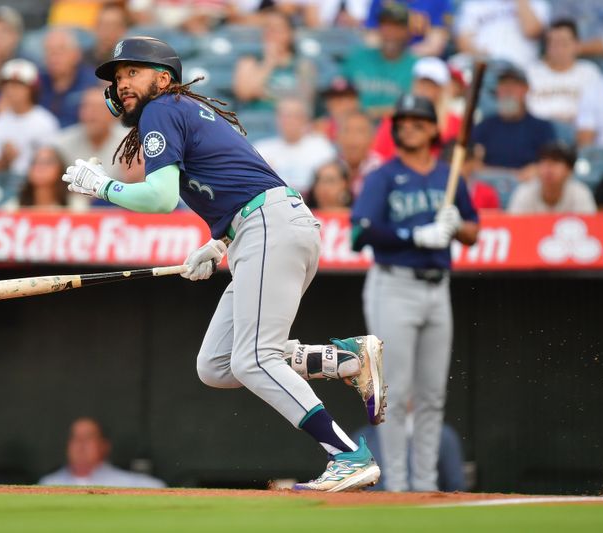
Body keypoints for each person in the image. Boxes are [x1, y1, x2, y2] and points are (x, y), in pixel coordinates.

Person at [61, 36, 387, 492]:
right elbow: (233, 175)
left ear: (163, 78)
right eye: (118, 77)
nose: (122, 83)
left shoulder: (162, 109)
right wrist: (218, 242)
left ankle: (348, 454)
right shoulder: (182, 109)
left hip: (269, 227)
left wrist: (103, 187)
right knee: (218, 365)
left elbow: (159, 198)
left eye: (132, 72)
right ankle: (344, 359)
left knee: (254, 358)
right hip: (264, 227)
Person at [351, 94, 479, 491]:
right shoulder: (383, 176)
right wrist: (413, 234)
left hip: (437, 288)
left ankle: (424, 486)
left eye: (417, 121)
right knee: (393, 393)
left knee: (432, 395)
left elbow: (474, 232)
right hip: (394, 284)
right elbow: (360, 232)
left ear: (433, 130)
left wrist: (456, 224)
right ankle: (396, 486)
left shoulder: (448, 176)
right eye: (402, 121)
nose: (408, 126)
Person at [471, 65, 556, 178]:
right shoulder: (485, 126)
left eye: (514, 86)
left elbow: (551, 163)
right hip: (489, 185)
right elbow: (472, 161)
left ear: (526, 89)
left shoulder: (542, 128)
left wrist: (534, 170)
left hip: (527, 187)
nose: (508, 91)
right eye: (503, 85)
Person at [372, 56, 460, 162]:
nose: (425, 90)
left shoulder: (455, 123)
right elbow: (379, 156)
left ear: (441, 89)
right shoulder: (395, 119)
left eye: (432, 85)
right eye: (422, 83)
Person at [0, 59, 60, 177]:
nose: (11, 90)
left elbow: (54, 163)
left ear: (31, 90)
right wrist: (5, 158)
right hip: (4, 183)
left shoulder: (46, 122)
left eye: (18, 85)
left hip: (36, 182)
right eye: (7, 85)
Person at [39, 417, 166, 488]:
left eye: (88, 437)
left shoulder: (136, 485)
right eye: (75, 437)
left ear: (104, 446)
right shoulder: (48, 484)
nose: (80, 444)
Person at [340, 3, 416, 119]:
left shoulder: (416, 66)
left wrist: (372, 112)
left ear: (406, 32)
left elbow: (413, 107)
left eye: (396, 27)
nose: (390, 32)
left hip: (395, 129)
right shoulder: (358, 57)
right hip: (356, 126)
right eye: (386, 26)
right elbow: (339, 93)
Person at [232, 9, 316, 111]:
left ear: (289, 33)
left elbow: (304, 98)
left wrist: (264, 92)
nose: (271, 33)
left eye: (277, 29)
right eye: (267, 28)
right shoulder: (249, 60)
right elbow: (244, 93)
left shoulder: (303, 64)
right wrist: (269, 63)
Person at [525, 19, 603, 125]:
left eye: (564, 43)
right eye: (553, 43)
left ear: (576, 45)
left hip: (579, 132)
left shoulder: (590, 72)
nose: (558, 49)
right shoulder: (530, 72)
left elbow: (599, 112)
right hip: (539, 133)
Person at [253, 97, 337, 196]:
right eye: (284, 116)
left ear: (305, 119)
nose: (289, 121)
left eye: (295, 116)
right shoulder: (261, 149)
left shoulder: (322, 147)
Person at [52, 87, 131, 178]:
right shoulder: (62, 144)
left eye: (99, 109)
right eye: (86, 107)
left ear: (114, 114)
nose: (91, 114)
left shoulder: (131, 143)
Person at [454, 0, 551, 69]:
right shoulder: (474, 4)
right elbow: (463, 42)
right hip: (485, 68)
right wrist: (482, 56)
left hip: (522, 70)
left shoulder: (537, 3)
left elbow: (532, 31)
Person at [508, 142, 596, 214]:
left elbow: (589, 228)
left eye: (555, 162)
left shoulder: (580, 194)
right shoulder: (524, 193)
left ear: (569, 170)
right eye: (544, 161)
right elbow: (513, 228)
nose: (548, 168)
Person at [38, 27, 99, 128]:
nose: (54, 56)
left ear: (76, 54)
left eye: (61, 50)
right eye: (49, 51)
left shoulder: (91, 82)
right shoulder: (37, 83)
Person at [5, 146, 88, 211]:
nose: (40, 167)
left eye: (48, 162)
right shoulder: (14, 206)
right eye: (36, 162)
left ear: (61, 170)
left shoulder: (76, 205)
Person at [364, 0, 453, 57]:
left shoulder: (439, 2)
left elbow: (435, 46)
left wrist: (403, 59)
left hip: (421, 60)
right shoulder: (381, 2)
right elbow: (371, 38)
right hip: (384, 57)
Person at [440, 141, 501, 210]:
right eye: (451, 164)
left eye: (462, 163)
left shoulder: (487, 194)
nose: (456, 169)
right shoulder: (438, 192)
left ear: (472, 163)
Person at [336, 111, 382, 199]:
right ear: (338, 137)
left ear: (372, 139)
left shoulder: (381, 170)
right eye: (347, 131)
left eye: (359, 131)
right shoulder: (331, 167)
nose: (352, 138)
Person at [313, 77, 361, 143]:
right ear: (327, 103)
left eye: (347, 97)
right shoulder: (318, 129)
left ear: (356, 101)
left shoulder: (367, 129)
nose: (341, 104)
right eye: (333, 98)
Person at [84, 3, 130, 69]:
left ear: (124, 30)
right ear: (95, 28)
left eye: (114, 26)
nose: (108, 31)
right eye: (104, 25)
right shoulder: (81, 60)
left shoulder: (130, 61)